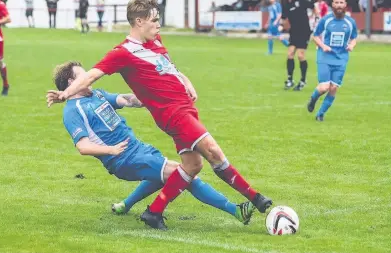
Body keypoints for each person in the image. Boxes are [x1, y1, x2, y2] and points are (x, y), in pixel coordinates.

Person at [46, 0, 272, 230]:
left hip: (182, 111)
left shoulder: (154, 42)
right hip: (172, 116)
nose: (158, 24)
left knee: (192, 166)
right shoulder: (121, 53)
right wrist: (65, 95)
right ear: (139, 21)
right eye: (154, 20)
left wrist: (186, 80)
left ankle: (153, 212)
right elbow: (93, 74)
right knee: (213, 152)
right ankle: (254, 198)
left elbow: (168, 68)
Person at [52, 61, 256, 226]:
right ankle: (236, 210)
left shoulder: (97, 94)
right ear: (71, 81)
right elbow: (83, 146)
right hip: (123, 159)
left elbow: (126, 100)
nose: (89, 77)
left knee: (164, 176)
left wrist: (153, 96)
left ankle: (125, 205)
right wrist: (110, 150)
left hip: (138, 148)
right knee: (185, 174)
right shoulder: (72, 111)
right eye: (83, 74)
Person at [307, 0, 358, 121]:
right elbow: (315, 36)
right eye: (336, 3)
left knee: (333, 88)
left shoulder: (350, 22)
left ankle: (320, 114)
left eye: (341, 3)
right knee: (324, 87)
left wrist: (351, 45)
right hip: (325, 56)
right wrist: (323, 46)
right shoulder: (326, 20)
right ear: (332, 4)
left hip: (341, 58)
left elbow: (354, 38)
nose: (339, 5)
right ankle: (313, 99)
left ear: (345, 5)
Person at [281, 0, 313, 91]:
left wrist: (316, 19)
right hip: (293, 31)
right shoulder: (285, 3)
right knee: (290, 54)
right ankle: (290, 80)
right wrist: (282, 28)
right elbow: (284, 18)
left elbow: (314, 7)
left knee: (300, 55)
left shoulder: (301, 1)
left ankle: (303, 80)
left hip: (304, 31)